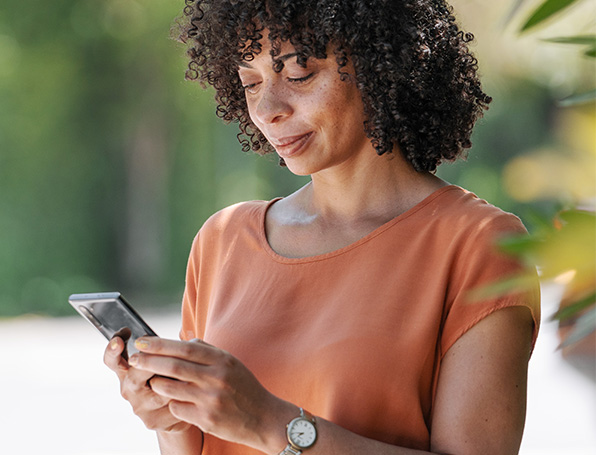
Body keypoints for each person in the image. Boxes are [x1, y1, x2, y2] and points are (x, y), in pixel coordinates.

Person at [104, 1, 541, 454]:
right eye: (250, 83)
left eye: (298, 74)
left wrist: (272, 425)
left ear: (379, 64)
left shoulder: (480, 246)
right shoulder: (223, 240)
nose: (268, 108)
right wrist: (172, 420)